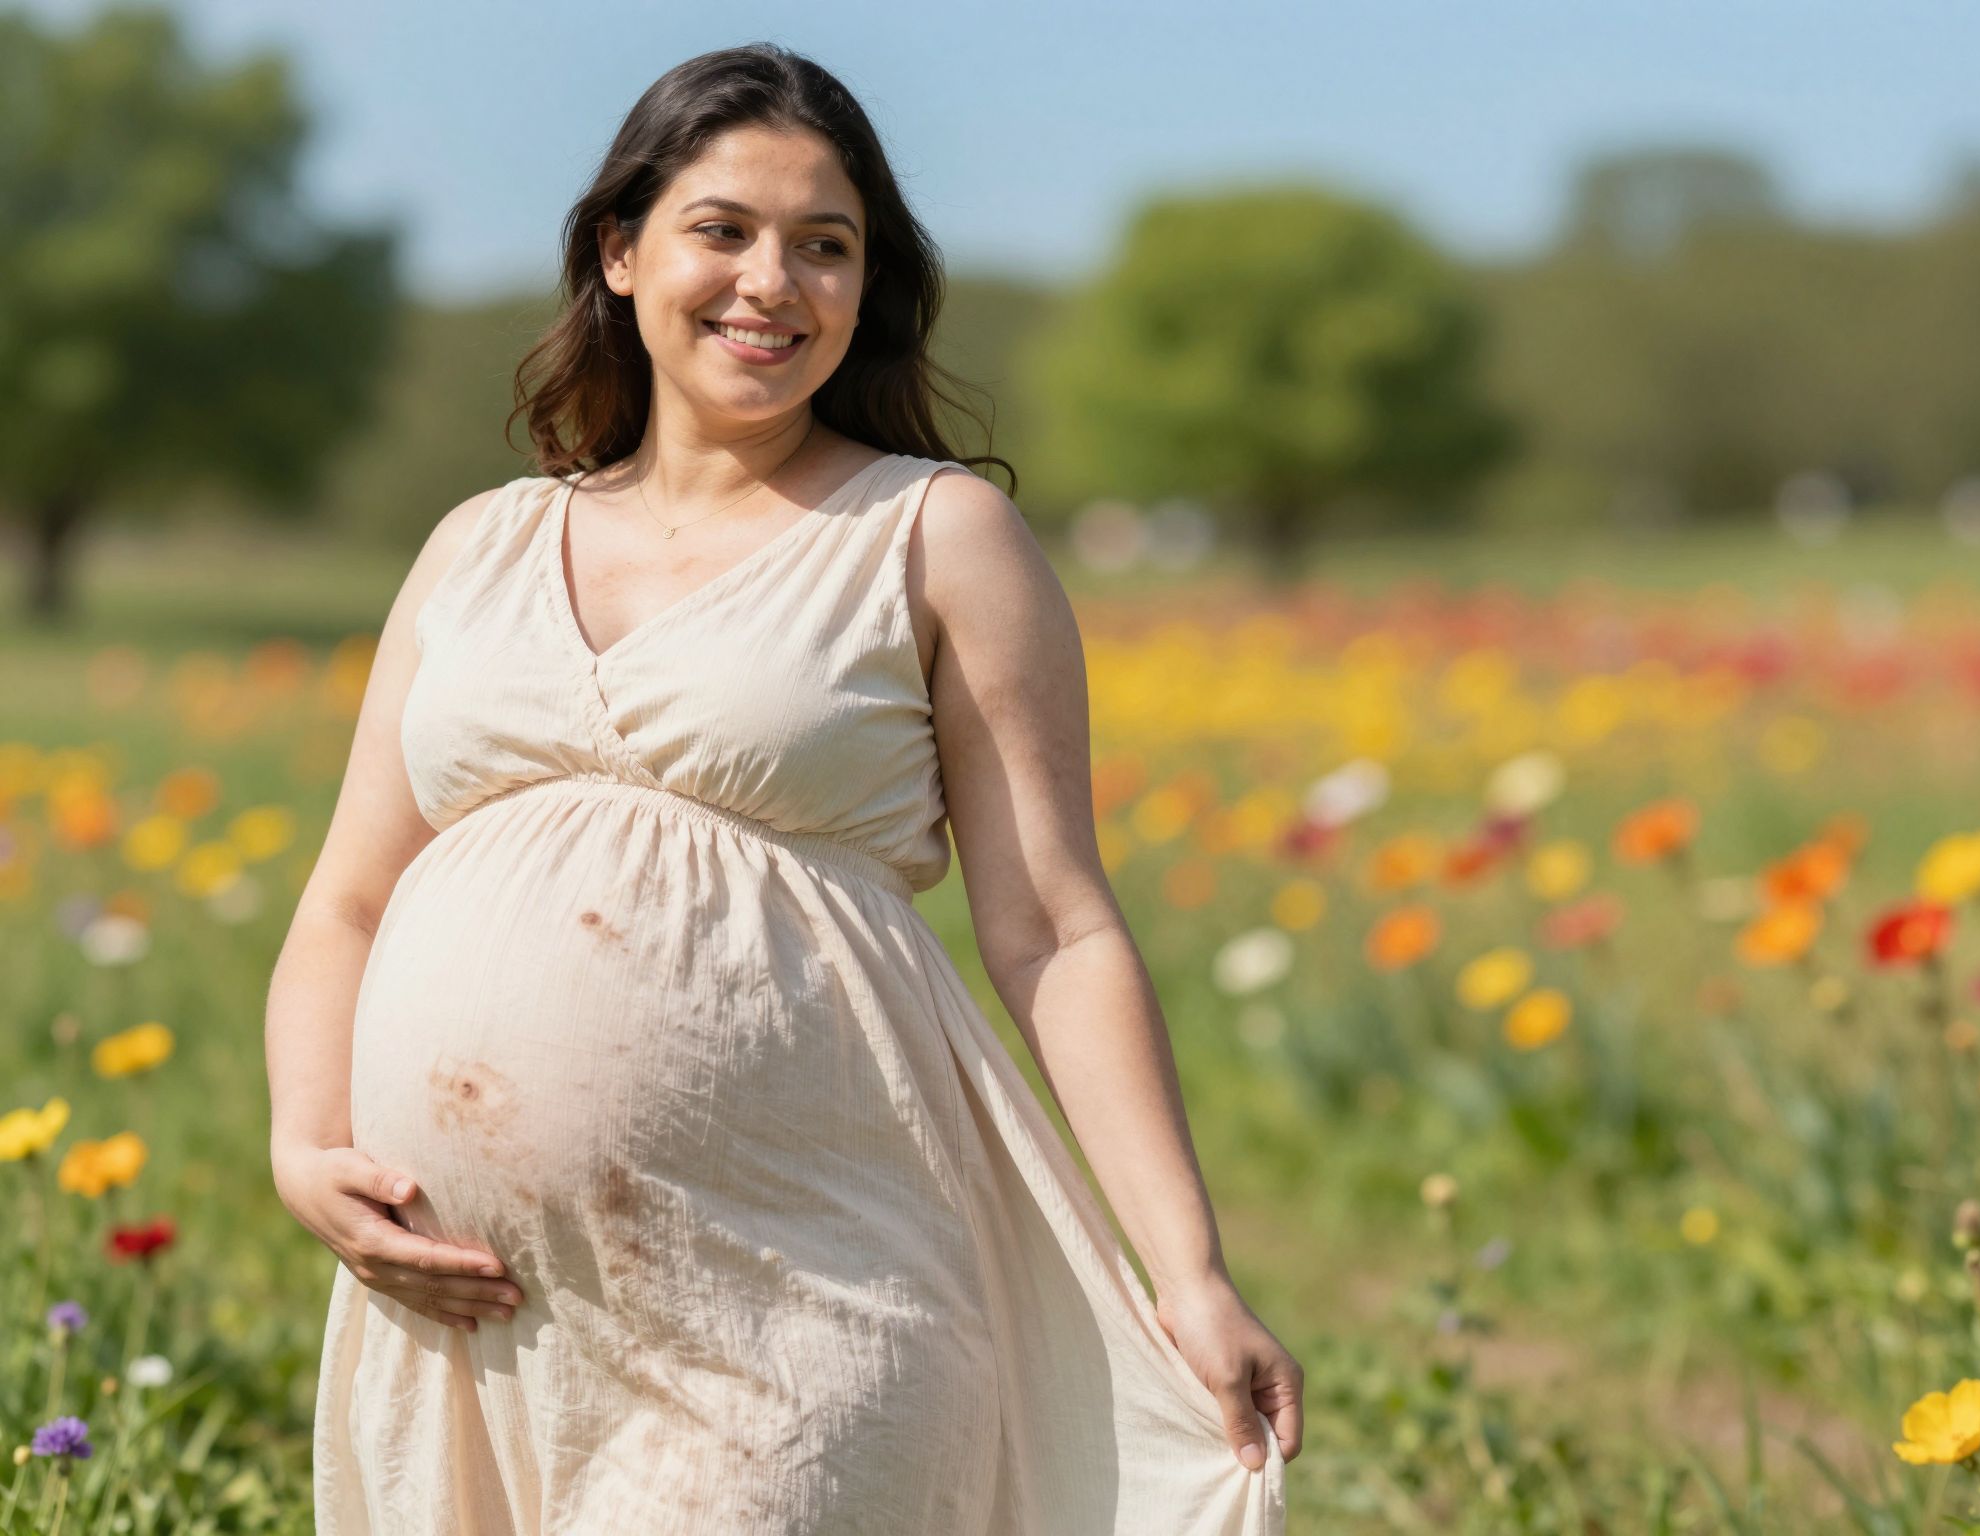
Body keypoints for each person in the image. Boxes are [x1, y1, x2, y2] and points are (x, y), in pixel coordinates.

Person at [266, 41, 1301, 1535]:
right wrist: (308, 1143)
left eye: (828, 247)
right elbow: (347, 900)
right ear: (619, 252)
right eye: (723, 230)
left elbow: (1055, 931)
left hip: (804, 1305)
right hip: (479, 1326)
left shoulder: (936, 538)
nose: (776, 281)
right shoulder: (476, 546)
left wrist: (1190, 1273)